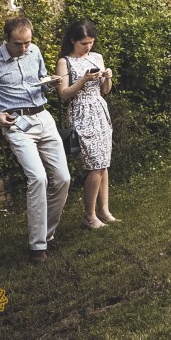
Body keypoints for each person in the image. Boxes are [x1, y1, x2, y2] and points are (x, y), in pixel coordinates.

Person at [0, 18, 68, 262]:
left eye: (28, 43)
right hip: (16, 124)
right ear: (6, 39)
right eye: (18, 44)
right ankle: (37, 246)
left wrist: (50, 82)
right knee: (38, 178)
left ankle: (47, 236)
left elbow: (41, 80)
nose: (24, 49)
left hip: (43, 117)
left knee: (63, 178)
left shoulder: (35, 51)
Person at [55, 20, 115, 229]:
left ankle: (104, 210)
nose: (88, 47)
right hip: (81, 112)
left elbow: (105, 90)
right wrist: (83, 80)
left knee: (104, 163)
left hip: (99, 110)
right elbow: (63, 95)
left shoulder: (97, 57)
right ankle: (89, 215)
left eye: (91, 42)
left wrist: (108, 77)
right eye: (83, 43)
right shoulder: (65, 62)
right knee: (95, 164)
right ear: (73, 41)